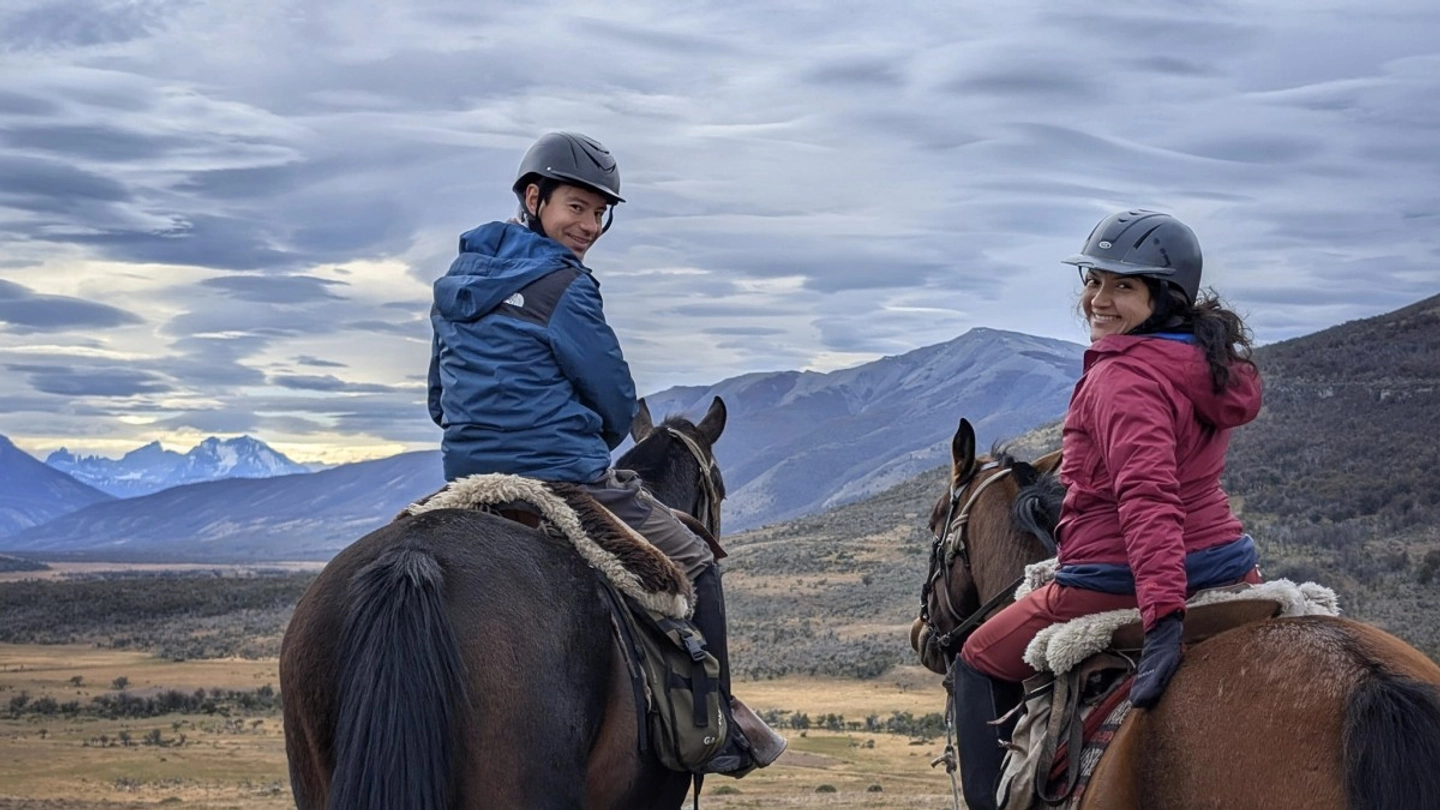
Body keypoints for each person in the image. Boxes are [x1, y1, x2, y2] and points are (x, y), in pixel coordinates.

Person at [426, 131, 784, 776]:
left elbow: (438, 399)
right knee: (694, 557)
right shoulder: (564, 284)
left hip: (467, 476)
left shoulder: (456, 284)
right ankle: (714, 721)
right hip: (563, 477)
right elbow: (617, 401)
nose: (589, 225)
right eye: (576, 207)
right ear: (534, 198)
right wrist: (580, 435)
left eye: (600, 213)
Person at [950, 210, 1263, 810]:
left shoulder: (1122, 378)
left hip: (1117, 576)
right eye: (1094, 281)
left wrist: (1165, 617)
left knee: (976, 660)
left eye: (1123, 286)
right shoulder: (1202, 361)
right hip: (1226, 564)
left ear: (1164, 297)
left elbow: (1146, 498)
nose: (1098, 299)